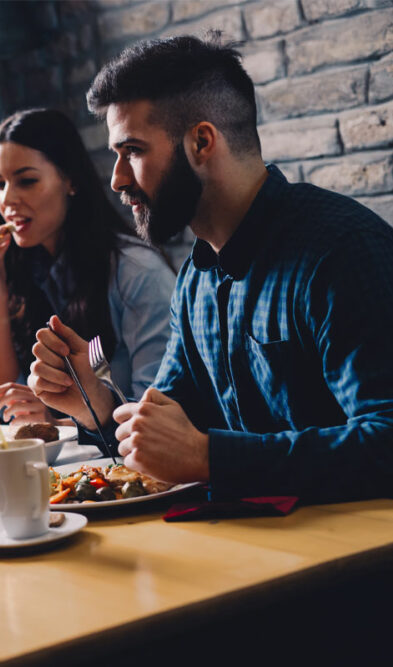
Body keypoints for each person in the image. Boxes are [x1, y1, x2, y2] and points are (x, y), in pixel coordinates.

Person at [28, 35, 393, 502]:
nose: (118, 179)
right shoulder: (196, 278)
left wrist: (211, 458)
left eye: (133, 151)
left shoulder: (341, 252)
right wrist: (94, 404)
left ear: (202, 141)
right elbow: (165, 431)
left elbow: (386, 439)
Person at [0, 108, 175, 426]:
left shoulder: (136, 271)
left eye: (26, 181)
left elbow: (157, 409)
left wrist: (54, 421)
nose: (7, 199)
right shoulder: (25, 268)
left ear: (70, 181)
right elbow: (2, 402)